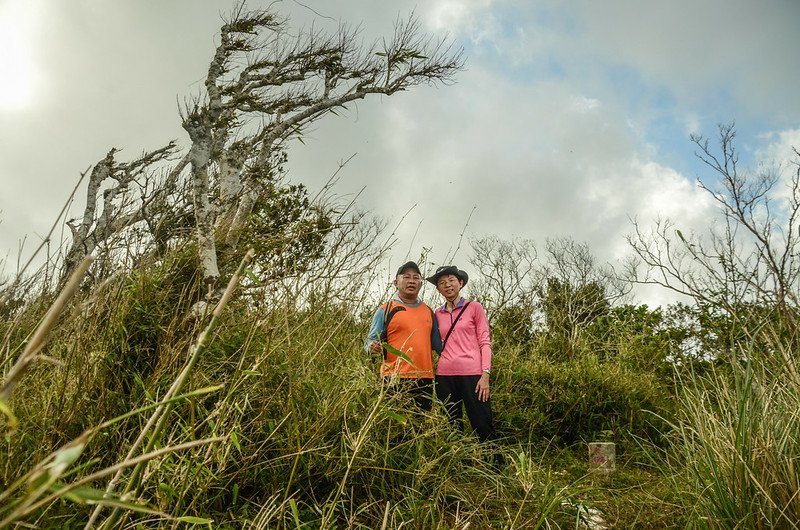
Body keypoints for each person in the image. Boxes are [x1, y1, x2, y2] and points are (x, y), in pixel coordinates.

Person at [427, 265, 500, 446]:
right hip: (444, 376)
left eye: (451, 280)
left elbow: (485, 342)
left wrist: (485, 374)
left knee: (482, 422)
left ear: (460, 283)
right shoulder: (437, 313)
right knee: (451, 424)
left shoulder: (474, 307)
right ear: (438, 289)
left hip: (473, 375)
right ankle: (458, 466)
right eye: (442, 283)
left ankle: (494, 465)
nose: (447, 285)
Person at [366, 261, 442, 410]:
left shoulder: (428, 311)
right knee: (395, 429)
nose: (412, 281)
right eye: (406, 277)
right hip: (393, 378)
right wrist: (371, 347)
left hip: (424, 378)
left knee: (421, 426)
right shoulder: (385, 309)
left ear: (420, 284)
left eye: (416, 277)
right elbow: (370, 340)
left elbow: (439, 345)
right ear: (396, 282)